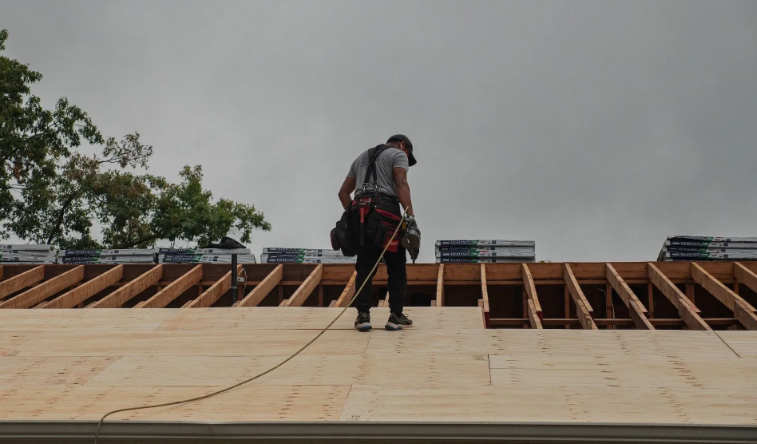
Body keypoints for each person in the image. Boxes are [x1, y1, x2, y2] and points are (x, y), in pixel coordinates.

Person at [338, 134, 418, 331]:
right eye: (408, 155)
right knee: (396, 265)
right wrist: (410, 218)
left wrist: (353, 215)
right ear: (402, 145)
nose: (406, 159)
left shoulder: (360, 158)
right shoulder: (398, 154)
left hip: (360, 213)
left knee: (364, 267)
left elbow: (343, 193)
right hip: (386, 211)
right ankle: (395, 316)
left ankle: (363, 316)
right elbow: (401, 183)